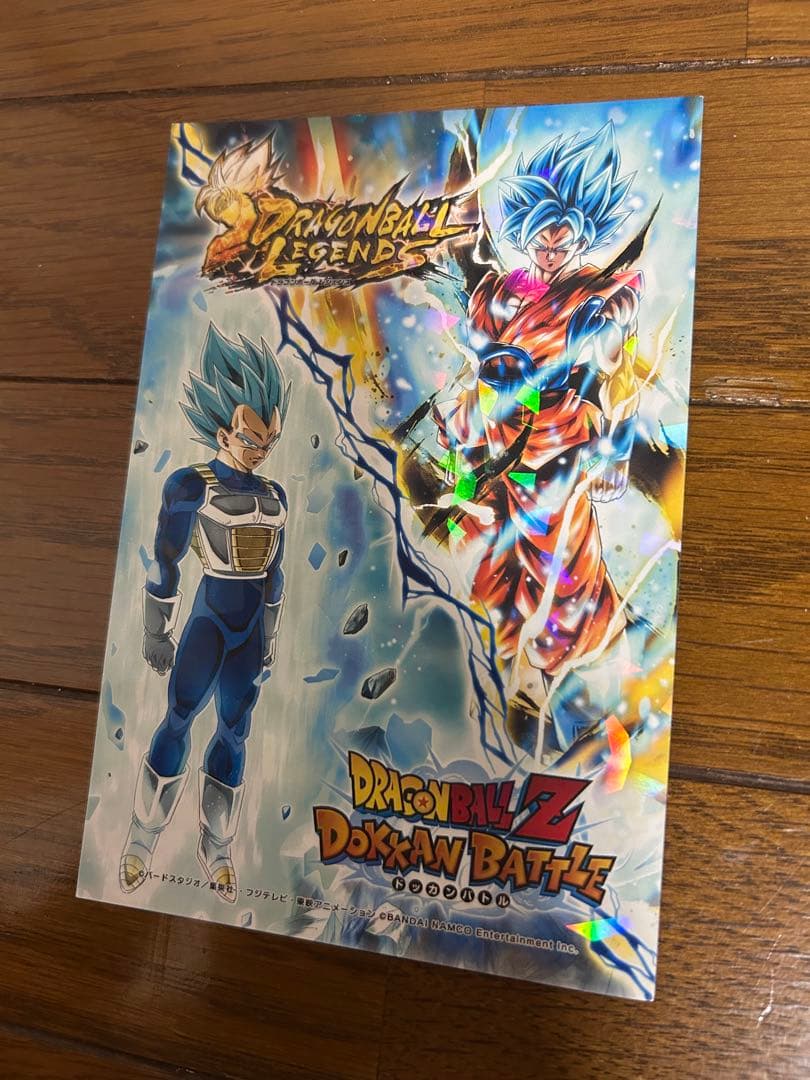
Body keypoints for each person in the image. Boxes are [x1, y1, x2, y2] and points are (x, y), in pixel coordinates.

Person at [433, 123, 643, 759]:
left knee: (565, 569)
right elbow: (467, 271)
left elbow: (616, 370)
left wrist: (614, 449)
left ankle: (593, 679)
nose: (551, 251)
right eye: (541, 238)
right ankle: (515, 674)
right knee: (486, 549)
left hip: (560, 453)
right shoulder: (501, 295)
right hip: (498, 448)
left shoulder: (596, 296)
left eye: (563, 239)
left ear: (581, 236)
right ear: (525, 234)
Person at [119, 323, 290, 902]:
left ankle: (216, 845)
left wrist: (270, 635)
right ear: (223, 432)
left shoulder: (275, 496)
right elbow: (166, 560)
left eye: (270, 439)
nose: (262, 451)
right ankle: (142, 837)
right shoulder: (192, 484)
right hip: (209, 620)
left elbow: (275, 574)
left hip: (249, 631)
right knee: (179, 718)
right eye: (252, 439)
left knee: (235, 733)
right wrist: (155, 629)